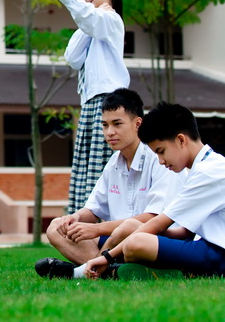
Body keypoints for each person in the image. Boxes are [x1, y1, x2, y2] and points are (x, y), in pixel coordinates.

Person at [83, 102, 225, 280]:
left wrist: (107, 257)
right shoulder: (203, 167)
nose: (160, 161)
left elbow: (159, 223)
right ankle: (140, 271)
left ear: (181, 140)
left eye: (161, 151)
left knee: (136, 243)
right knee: (135, 230)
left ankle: (117, 271)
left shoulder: (210, 172)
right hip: (213, 250)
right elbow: (184, 233)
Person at [35, 88, 185, 279]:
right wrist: (74, 218)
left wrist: (96, 229)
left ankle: (85, 270)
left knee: (129, 227)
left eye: (117, 124)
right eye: (105, 125)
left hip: (152, 240)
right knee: (56, 227)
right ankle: (103, 270)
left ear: (138, 123)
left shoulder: (159, 158)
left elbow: (153, 219)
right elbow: (93, 210)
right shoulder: (114, 163)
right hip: (114, 242)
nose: (109, 132)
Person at [26, 0, 129, 214]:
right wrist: (90, 19)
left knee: (104, 169)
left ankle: (105, 222)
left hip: (109, 102)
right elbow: (72, 58)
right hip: (91, 103)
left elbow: (88, 19)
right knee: (87, 169)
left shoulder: (111, 20)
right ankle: (86, 223)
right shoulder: (95, 23)